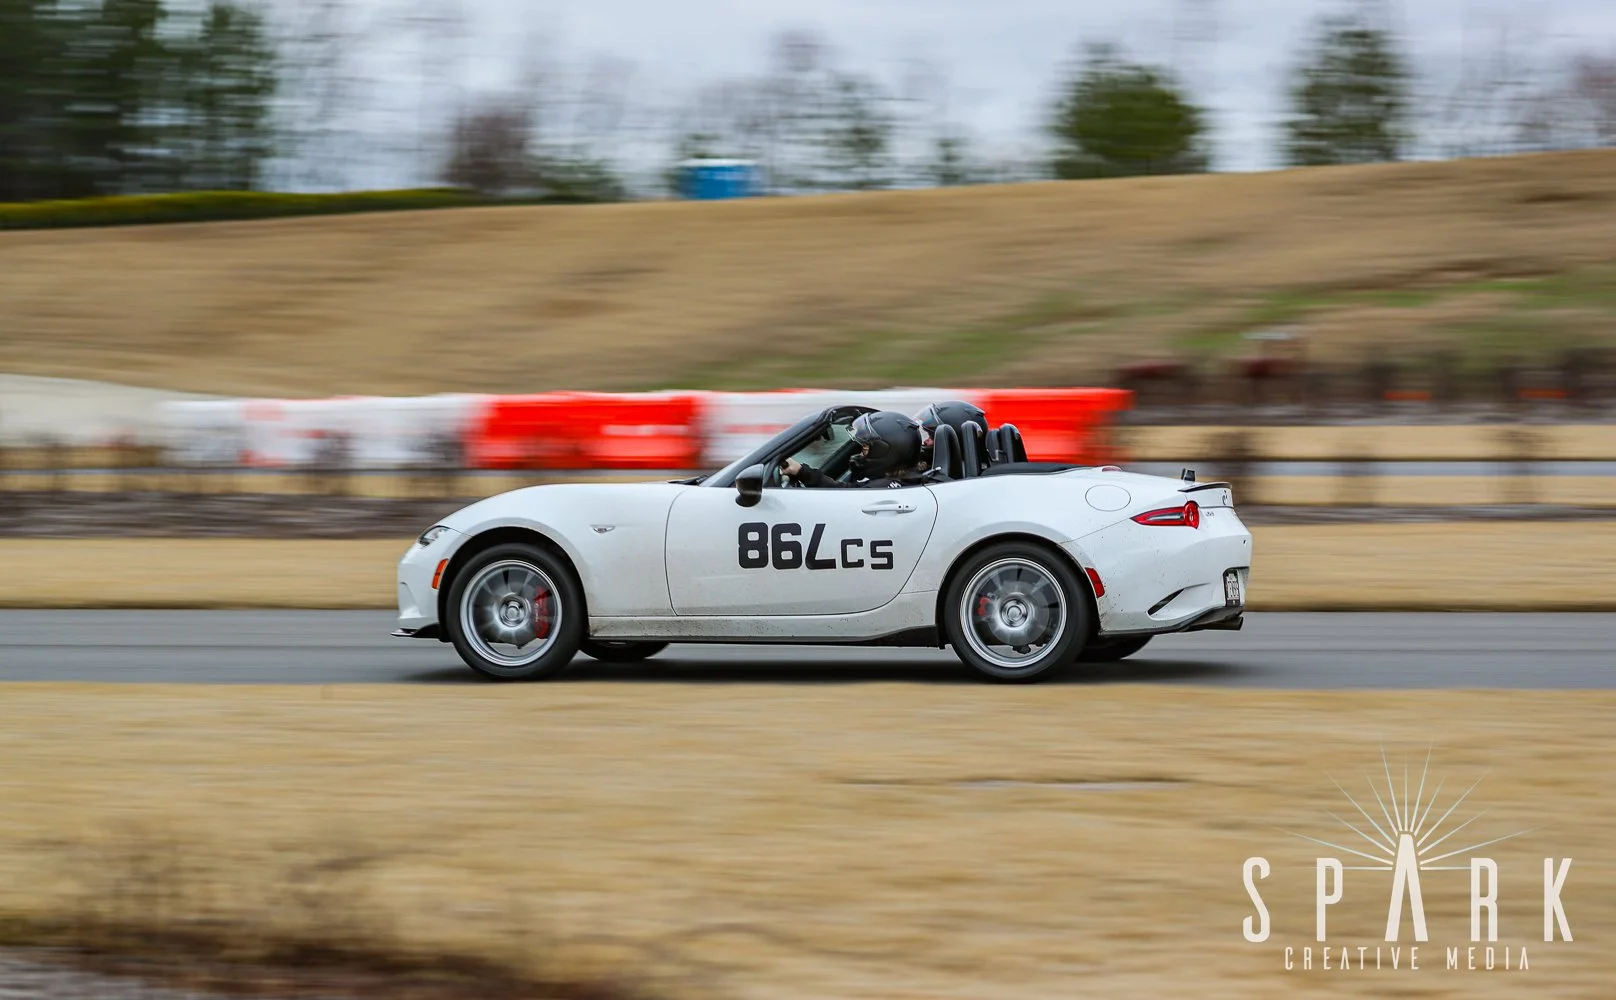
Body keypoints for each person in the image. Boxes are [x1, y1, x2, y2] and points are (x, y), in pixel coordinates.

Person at [781, 411, 929, 489]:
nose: (860, 454)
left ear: (884, 452)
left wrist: (801, 471)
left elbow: (840, 493)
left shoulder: (884, 488)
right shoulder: (910, 478)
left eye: (865, 448)